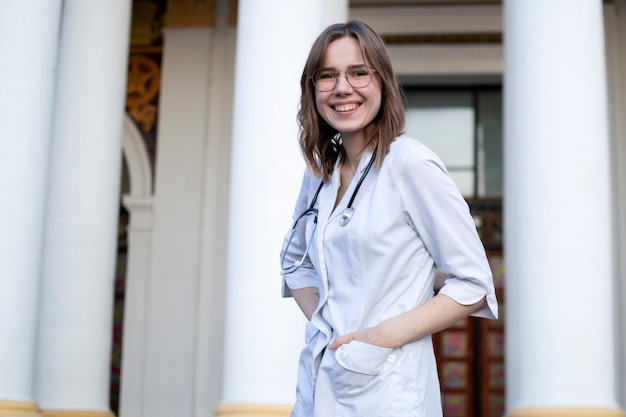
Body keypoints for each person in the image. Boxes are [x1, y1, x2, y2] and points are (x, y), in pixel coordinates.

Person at [279, 19, 498, 417]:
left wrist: (379, 337)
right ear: (313, 90)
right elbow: (294, 263)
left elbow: (473, 284)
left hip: (389, 390)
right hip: (320, 383)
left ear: (383, 83)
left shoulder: (410, 165)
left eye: (358, 72)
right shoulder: (319, 175)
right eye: (327, 75)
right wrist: (330, 328)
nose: (342, 87)